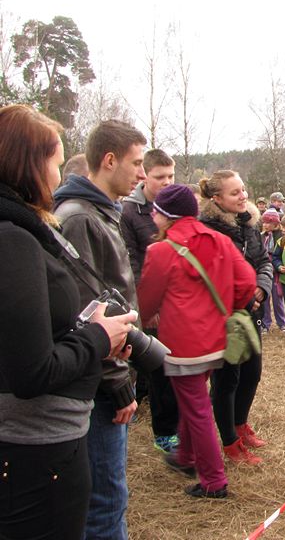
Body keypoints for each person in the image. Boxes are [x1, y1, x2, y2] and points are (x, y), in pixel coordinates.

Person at [0, 104, 134, 540]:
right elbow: (32, 368)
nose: (58, 178)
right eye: (56, 164)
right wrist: (100, 339)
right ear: (28, 165)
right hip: (39, 441)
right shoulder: (16, 238)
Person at [53, 119, 146, 539]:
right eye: (137, 163)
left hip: (109, 371)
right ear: (109, 161)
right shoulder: (78, 219)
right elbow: (83, 313)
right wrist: (117, 383)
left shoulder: (102, 213)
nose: (142, 175)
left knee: (111, 496)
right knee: (105, 503)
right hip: (98, 383)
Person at [138, 184, 256, 499]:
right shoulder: (220, 240)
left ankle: (213, 481)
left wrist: (146, 318)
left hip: (183, 345)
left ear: (167, 216)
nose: (152, 216)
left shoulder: (160, 250)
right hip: (218, 339)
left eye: (156, 212)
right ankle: (186, 456)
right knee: (196, 402)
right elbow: (246, 282)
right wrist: (229, 309)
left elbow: (147, 300)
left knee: (196, 407)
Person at [198, 170, 273, 465]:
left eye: (243, 190)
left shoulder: (250, 225)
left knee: (252, 372)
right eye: (234, 193)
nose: (243, 196)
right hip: (225, 315)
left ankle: (241, 425)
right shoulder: (209, 230)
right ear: (216, 199)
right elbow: (210, 276)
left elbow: (264, 261)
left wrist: (262, 289)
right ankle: (230, 441)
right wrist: (243, 295)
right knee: (227, 379)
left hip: (251, 309)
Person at [120, 148, 179, 453]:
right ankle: (165, 431)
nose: (167, 182)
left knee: (178, 363)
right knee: (160, 366)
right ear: (145, 176)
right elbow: (131, 262)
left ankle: (179, 421)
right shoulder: (131, 212)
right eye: (160, 177)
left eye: (171, 176)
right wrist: (146, 308)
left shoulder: (177, 205)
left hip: (178, 299)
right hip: (149, 299)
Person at [261, 209, 285, 333]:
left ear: (276, 224)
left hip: (277, 272)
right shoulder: (261, 237)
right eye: (264, 222)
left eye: (268, 223)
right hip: (264, 273)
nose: (265, 225)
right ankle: (265, 323)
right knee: (265, 300)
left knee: (278, 299)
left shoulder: (282, 237)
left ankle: (282, 322)